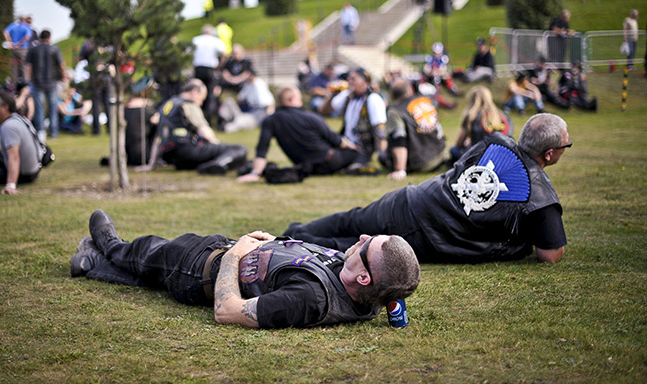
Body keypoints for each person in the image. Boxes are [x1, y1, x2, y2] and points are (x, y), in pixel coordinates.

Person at [285, 113, 571, 264]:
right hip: (429, 233)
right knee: (352, 245)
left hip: (411, 197)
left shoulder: (494, 141)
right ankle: (286, 244)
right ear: (549, 153)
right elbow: (549, 255)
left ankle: (291, 234)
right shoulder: (541, 198)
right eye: (565, 145)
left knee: (351, 219)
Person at [70, 209, 421, 329]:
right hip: (220, 251)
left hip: (198, 269)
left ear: (363, 278)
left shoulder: (309, 299)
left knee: (143, 251)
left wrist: (235, 255)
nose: (361, 237)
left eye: (367, 245)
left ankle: (106, 245)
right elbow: (396, 291)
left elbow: (227, 312)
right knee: (146, 275)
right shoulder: (371, 289)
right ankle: (91, 265)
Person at [238, 86, 360, 182]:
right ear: (291, 99)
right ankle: (358, 164)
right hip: (330, 163)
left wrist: (255, 174)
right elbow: (335, 140)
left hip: (306, 168)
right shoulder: (310, 117)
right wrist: (352, 146)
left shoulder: (271, 120)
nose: (301, 100)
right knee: (357, 152)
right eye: (299, 98)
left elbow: (262, 149)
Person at [139, 79, 247, 175]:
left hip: (173, 158)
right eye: (201, 99)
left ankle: (210, 165)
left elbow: (158, 138)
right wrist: (217, 144)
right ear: (195, 91)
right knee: (239, 149)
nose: (200, 103)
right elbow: (203, 129)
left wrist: (152, 163)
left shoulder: (168, 104)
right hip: (187, 150)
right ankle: (217, 164)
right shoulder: (188, 104)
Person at [319, 68, 387, 173]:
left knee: (331, 160)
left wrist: (382, 154)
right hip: (345, 144)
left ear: (364, 81)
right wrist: (332, 94)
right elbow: (324, 111)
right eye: (349, 79)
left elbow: (379, 128)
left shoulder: (373, 99)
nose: (349, 81)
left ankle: (360, 166)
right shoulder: (347, 96)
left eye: (353, 79)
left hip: (360, 148)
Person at [381, 79, 445, 181]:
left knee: (382, 155)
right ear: (410, 90)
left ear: (392, 95)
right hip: (440, 155)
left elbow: (399, 139)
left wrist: (400, 170)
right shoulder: (426, 100)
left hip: (421, 163)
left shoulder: (395, 111)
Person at [0, 90, 42, 195]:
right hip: (34, 170)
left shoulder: (9, 126)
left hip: (25, 174)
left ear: (5, 107)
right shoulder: (18, 119)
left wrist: (11, 185)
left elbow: (14, 156)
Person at [449, 86, 512, 164]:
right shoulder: (504, 116)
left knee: (453, 150)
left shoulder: (472, 117)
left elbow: (458, 144)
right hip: (503, 157)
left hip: (479, 158)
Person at [25, 29, 66, 141]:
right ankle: (53, 132)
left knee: (39, 108)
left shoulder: (33, 50)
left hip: (38, 82)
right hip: (52, 82)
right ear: (49, 37)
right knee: (53, 108)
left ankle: (41, 132)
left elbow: (29, 67)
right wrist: (63, 77)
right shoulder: (54, 49)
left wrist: (30, 79)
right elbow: (61, 65)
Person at [192, 25, 226, 126]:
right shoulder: (214, 40)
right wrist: (219, 66)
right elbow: (224, 54)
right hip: (210, 69)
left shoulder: (196, 40)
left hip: (198, 69)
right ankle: (209, 121)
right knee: (210, 95)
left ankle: (198, 119)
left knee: (196, 93)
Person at [3, 15, 32, 85]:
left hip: (14, 49)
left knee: (14, 68)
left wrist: (10, 42)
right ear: (24, 20)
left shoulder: (13, 25)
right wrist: (19, 43)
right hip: (23, 49)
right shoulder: (26, 26)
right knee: (24, 68)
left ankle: (14, 86)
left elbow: (5, 32)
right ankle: (25, 86)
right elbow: (27, 37)